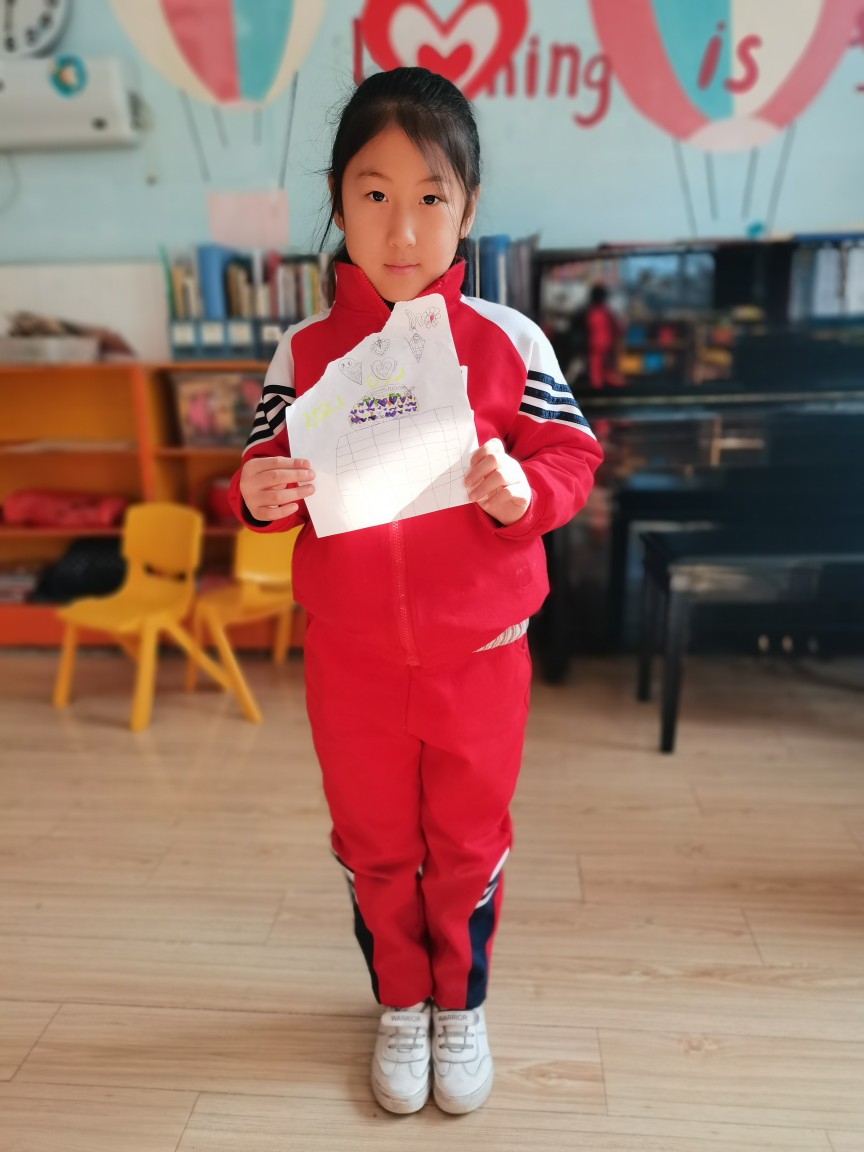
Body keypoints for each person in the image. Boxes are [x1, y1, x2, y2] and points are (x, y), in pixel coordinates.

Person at [229, 67, 603, 1116]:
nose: (402, 228)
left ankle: (460, 1003)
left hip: (481, 659)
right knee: (376, 845)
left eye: (431, 196)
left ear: (468, 208)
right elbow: (266, 475)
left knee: (470, 843)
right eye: (375, 194)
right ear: (338, 204)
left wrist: (523, 493)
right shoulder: (304, 352)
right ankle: (401, 1001)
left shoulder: (510, 340)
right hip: (351, 664)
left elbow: (572, 456)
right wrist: (257, 493)